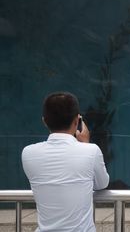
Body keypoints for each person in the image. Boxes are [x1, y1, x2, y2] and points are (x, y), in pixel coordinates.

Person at [22, 92, 109, 232]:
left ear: (44, 121)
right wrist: (85, 144)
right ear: (77, 121)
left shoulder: (28, 153)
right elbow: (101, 184)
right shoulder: (91, 151)